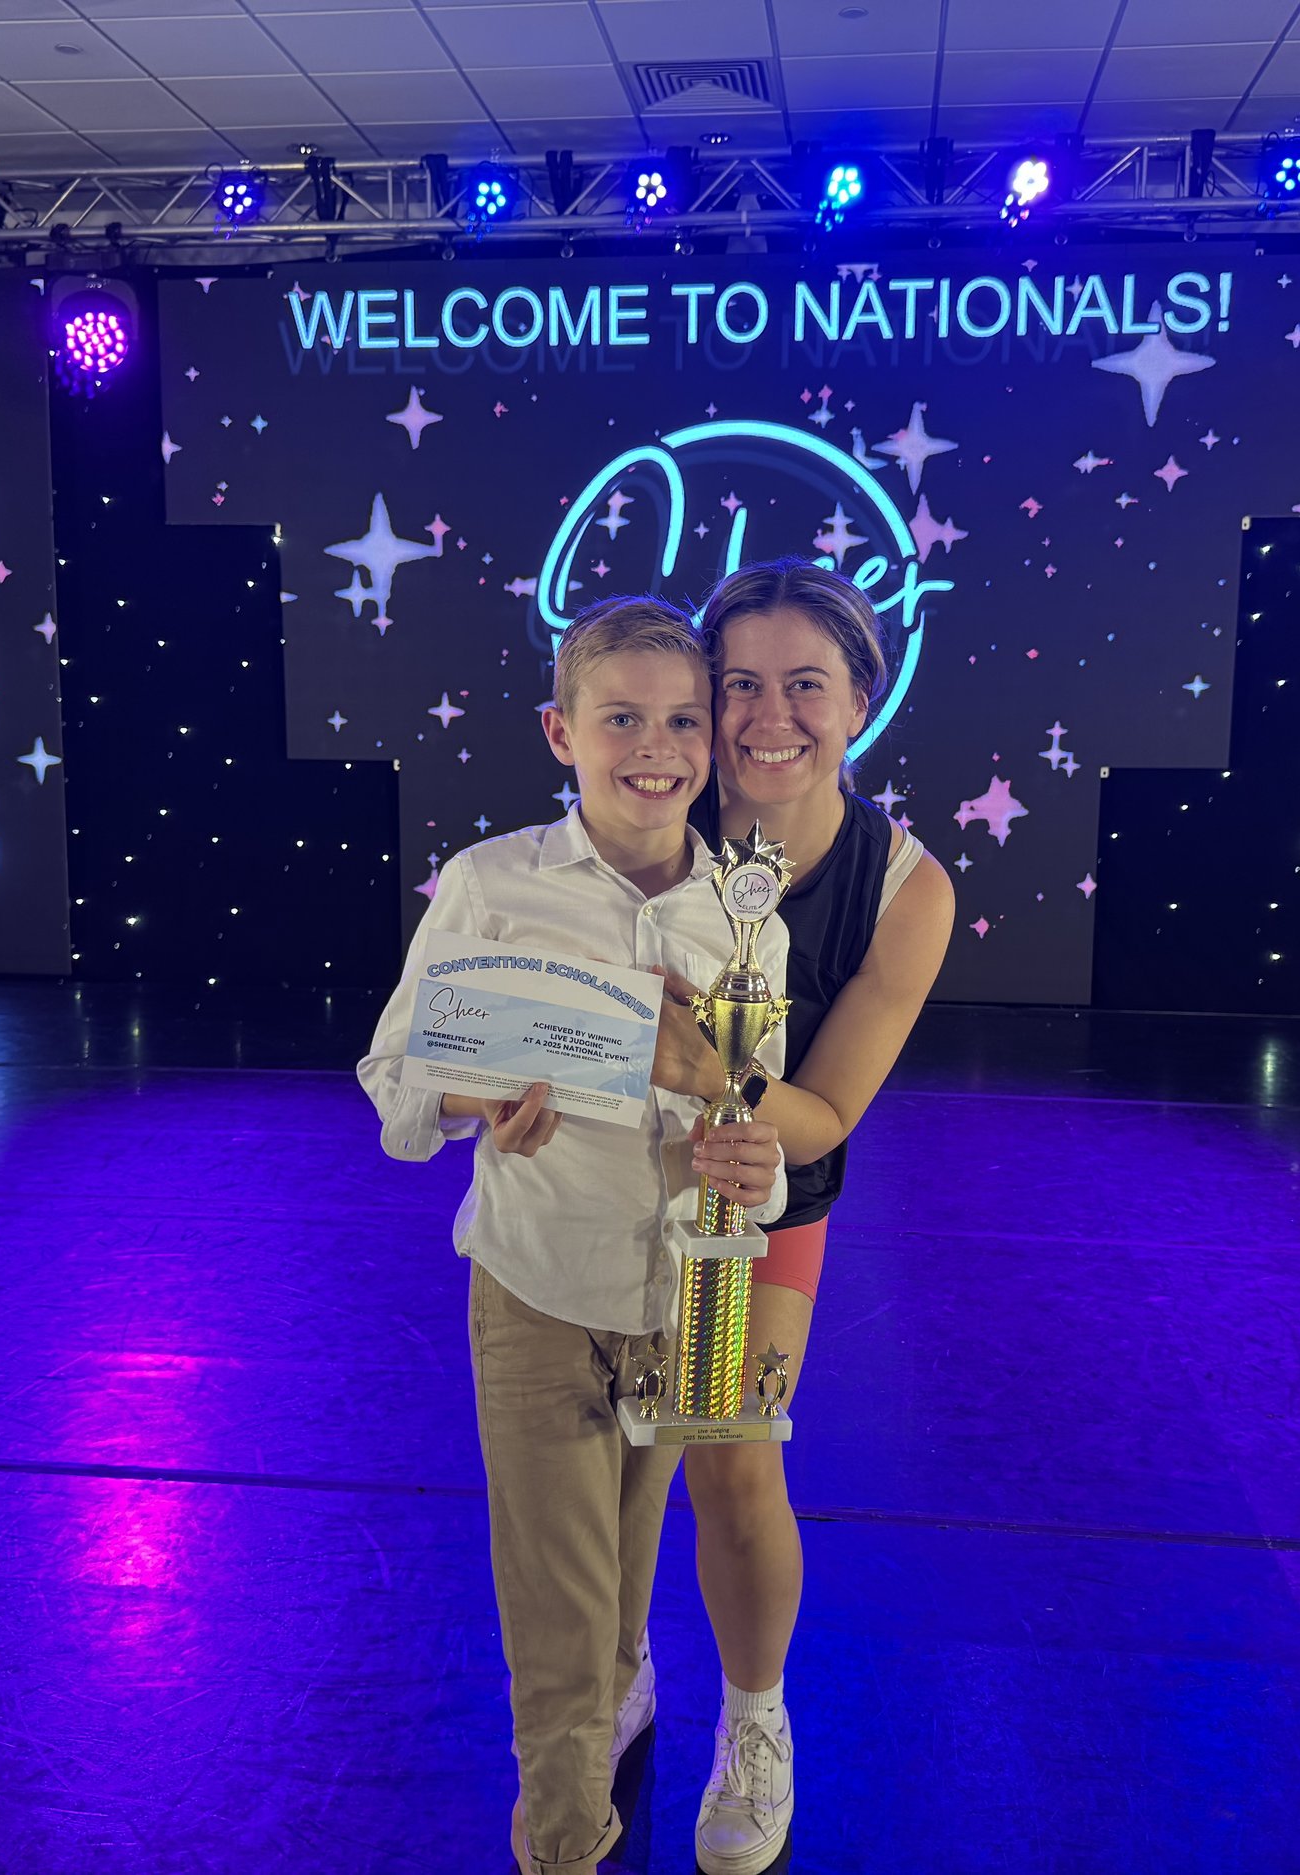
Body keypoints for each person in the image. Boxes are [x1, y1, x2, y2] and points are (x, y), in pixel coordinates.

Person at [356, 595, 789, 1875]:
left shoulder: (743, 918)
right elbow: (394, 1077)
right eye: (619, 719)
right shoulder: (493, 885)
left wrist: (744, 1153)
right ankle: (562, 1838)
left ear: (713, 738)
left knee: (624, 1576)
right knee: (556, 1605)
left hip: (690, 1294)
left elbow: (753, 1133)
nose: (652, 747)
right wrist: (467, 1101)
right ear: (560, 731)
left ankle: (615, 1709)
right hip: (537, 1288)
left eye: (679, 720)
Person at [652, 558, 956, 1875]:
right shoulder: (635, 818)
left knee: (724, 1447)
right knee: (595, 1464)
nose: (769, 715)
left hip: (756, 1201)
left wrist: (715, 1098)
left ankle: (755, 1716)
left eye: (805, 684)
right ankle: (607, 1678)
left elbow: (829, 1102)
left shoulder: (905, 886)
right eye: (739, 686)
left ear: (860, 701)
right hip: (607, 1186)